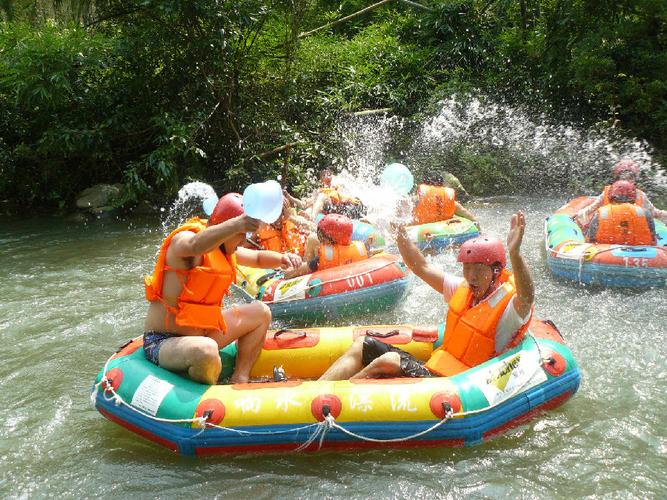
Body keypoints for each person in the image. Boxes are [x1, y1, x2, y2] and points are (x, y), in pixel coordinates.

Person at [318, 212, 534, 380]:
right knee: (363, 345)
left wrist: (515, 254)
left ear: (496, 271)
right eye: (467, 268)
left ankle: (337, 401)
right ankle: (316, 394)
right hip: (436, 371)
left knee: (389, 361)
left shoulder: (509, 310)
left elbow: (526, 297)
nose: (471, 276)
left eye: (479, 269)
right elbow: (421, 266)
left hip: (461, 384)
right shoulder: (463, 289)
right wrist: (400, 232)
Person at [143, 193, 302, 385]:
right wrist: (236, 225)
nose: (244, 241)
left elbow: (258, 259)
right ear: (227, 227)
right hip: (163, 341)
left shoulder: (225, 249)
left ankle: (240, 378)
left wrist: (283, 259)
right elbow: (194, 245)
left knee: (261, 312)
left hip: (204, 334)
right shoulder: (185, 240)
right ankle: (208, 397)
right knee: (207, 350)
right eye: (241, 234)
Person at [576, 158, 667, 227]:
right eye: (623, 177)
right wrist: (578, 217)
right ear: (617, 178)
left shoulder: (641, 195)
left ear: (635, 180)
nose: (626, 180)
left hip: (633, 231)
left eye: (630, 177)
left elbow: (655, 213)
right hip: (610, 228)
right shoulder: (607, 193)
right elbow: (592, 208)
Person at [283, 213, 371, 278]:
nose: (320, 239)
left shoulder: (322, 259)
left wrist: (285, 268)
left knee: (312, 240)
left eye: (321, 237)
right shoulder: (362, 250)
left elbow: (288, 274)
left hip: (322, 277)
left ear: (329, 241)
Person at [586, 180, 657, 246]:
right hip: (643, 252)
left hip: (605, 252)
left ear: (611, 195)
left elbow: (590, 240)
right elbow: (653, 239)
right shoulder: (645, 213)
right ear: (633, 196)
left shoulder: (601, 213)